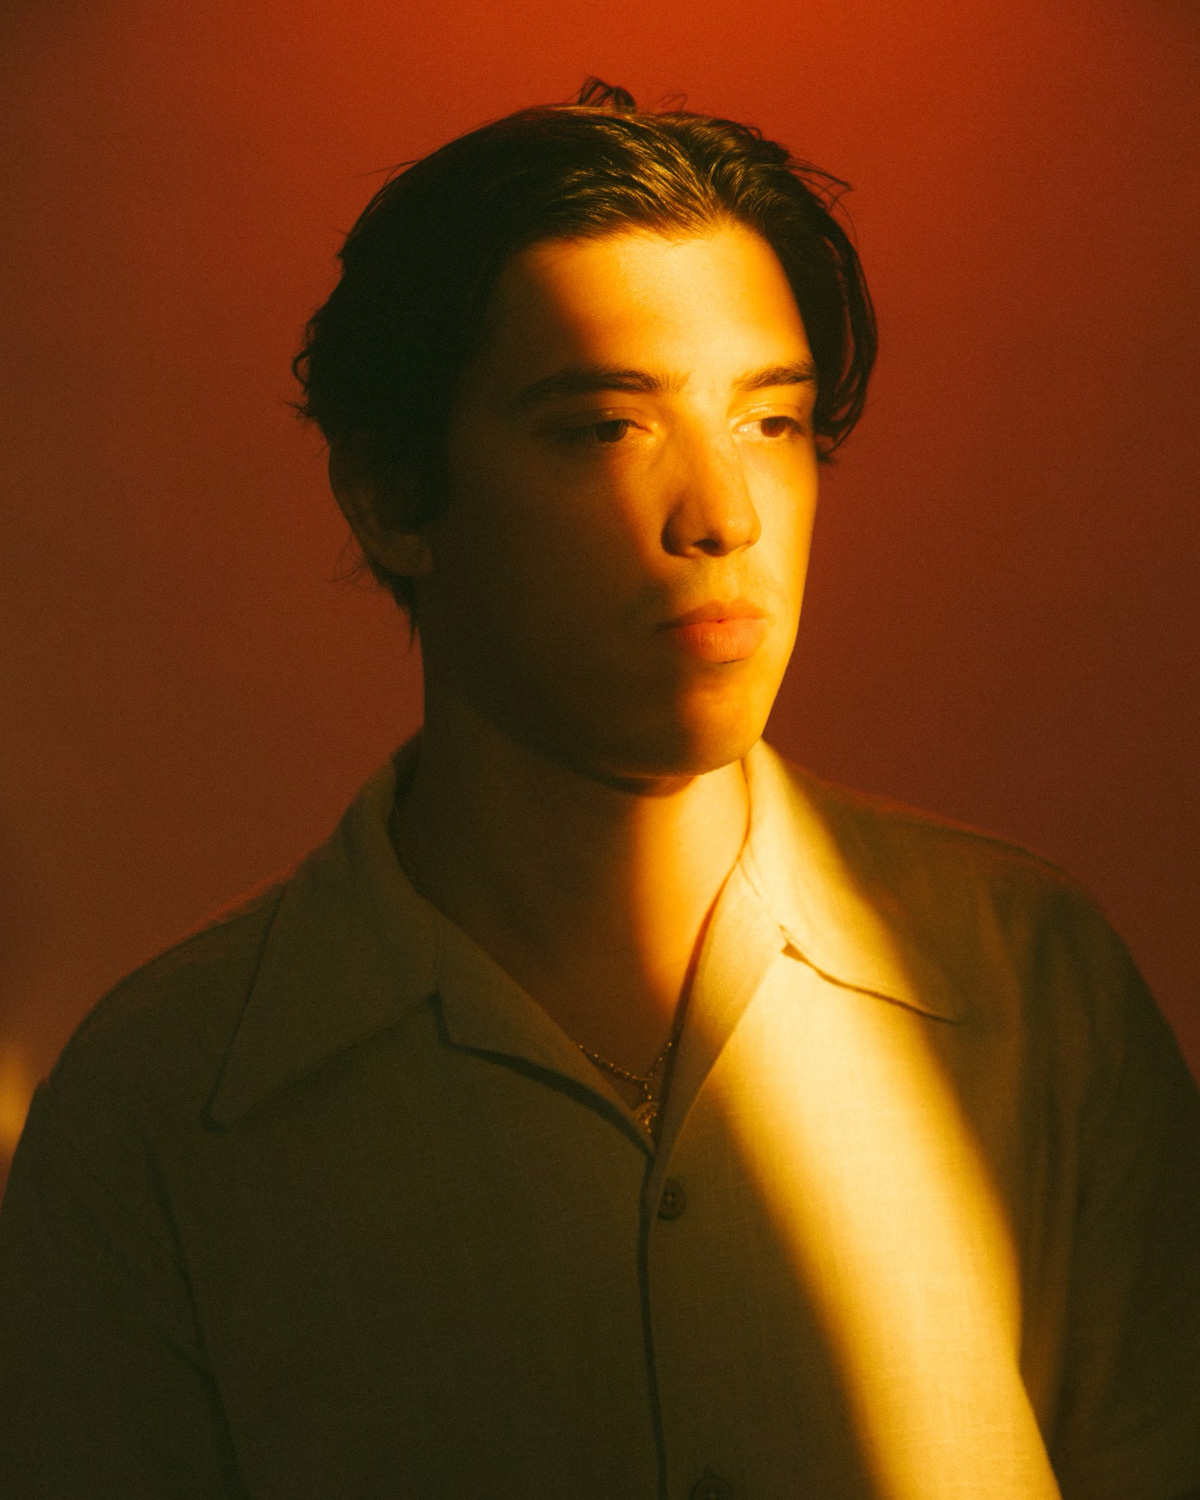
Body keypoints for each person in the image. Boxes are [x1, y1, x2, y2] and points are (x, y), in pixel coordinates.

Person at [1, 77, 1197, 1500]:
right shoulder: (168, 1108)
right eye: (604, 427)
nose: (724, 517)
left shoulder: (1030, 986)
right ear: (389, 496)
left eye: (772, 422)